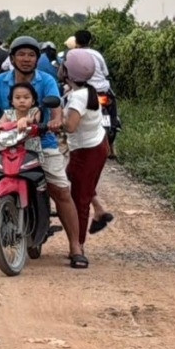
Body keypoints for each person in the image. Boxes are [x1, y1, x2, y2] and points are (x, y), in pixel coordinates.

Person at [0, 36, 88, 269]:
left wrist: (56, 122)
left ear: (37, 59)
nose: (26, 59)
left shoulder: (47, 80)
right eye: (21, 54)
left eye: (31, 55)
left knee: (60, 189)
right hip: (8, 143)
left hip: (42, 143)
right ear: (12, 58)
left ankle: (75, 246)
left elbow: (56, 109)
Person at [62, 49, 112, 252]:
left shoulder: (77, 98)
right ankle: (99, 210)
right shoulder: (87, 90)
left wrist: (55, 123)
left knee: (79, 199)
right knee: (71, 176)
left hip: (86, 151)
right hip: (97, 145)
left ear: (67, 72)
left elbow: (70, 126)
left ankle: (78, 245)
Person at [73, 29, 121, 160]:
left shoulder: (73, 54)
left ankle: (68, 135)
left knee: (69, 105)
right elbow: (105, 73)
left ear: (76, 41)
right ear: (90, 41)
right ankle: (114, 130)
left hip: (84, 91)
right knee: (113, 110)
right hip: (102, 89)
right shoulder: (97, 54)